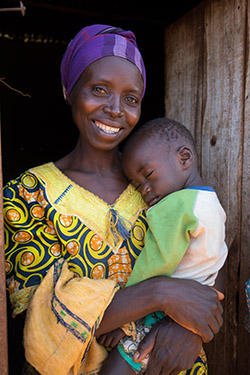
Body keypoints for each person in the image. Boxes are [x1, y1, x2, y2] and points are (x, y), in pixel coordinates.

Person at [3, 25, 224, 375]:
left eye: (131, 98)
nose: (115, 109)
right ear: (69, 90)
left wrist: (189, 329)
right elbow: (44, 321)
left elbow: (209, 249)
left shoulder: (158, 181)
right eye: (99, 90)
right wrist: (163, 293)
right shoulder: (27, 194)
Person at [99, 117, 227, 375]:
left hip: (161, 314)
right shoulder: (211, 203)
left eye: (148, 175)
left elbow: (156, 262)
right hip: (193, 313)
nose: (145, 190)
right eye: (137, 185)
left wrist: (122, 320)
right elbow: (219, 259)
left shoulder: (177, 207)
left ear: (184, 158)